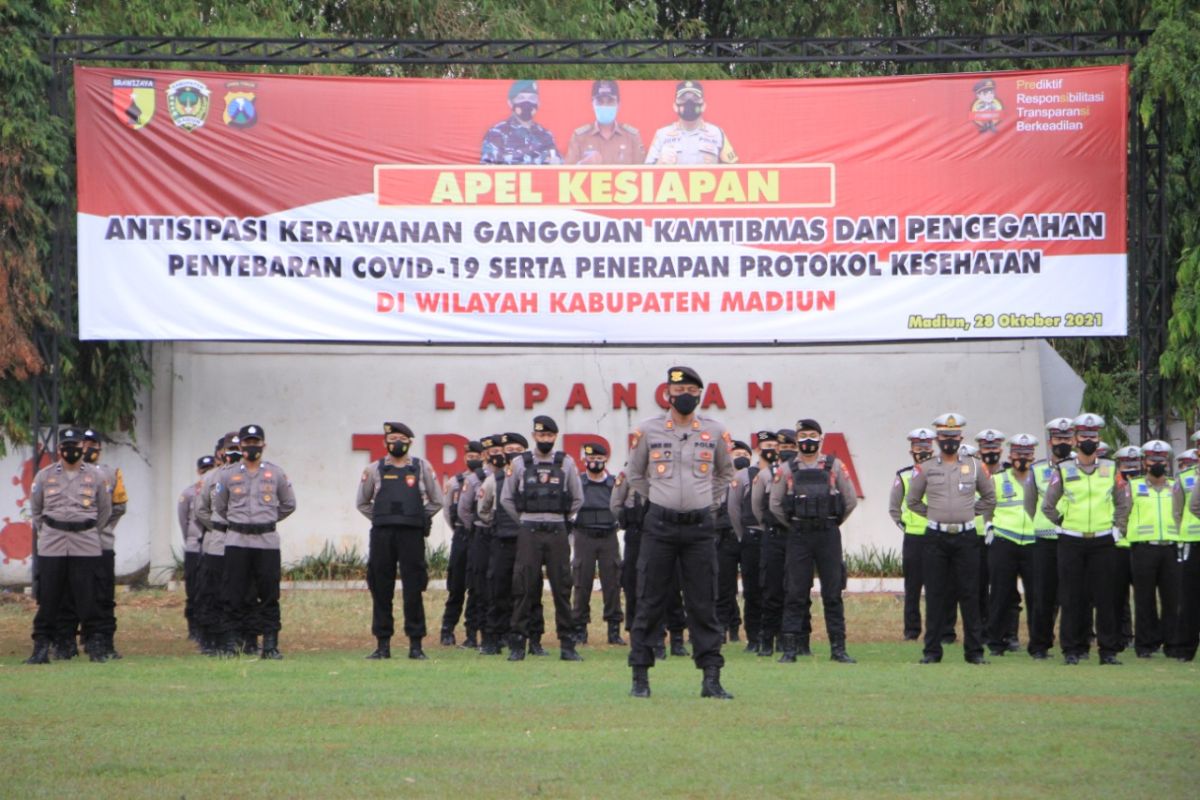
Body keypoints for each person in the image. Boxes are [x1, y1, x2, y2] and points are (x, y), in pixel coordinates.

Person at [626, 366, 737, 699]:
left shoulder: (715, 431)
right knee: (649, 599)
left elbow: (724, 473)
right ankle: (640, 678)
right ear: (668, 394)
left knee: (704, 602)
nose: (684, 395)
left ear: (700, 394)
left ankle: (711, 679)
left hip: (700, 528)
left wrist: (706, 500)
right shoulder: (648, 430)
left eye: (691, 389)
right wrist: (660, 499)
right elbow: (635, 475)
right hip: (659, 526)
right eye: (678, 390)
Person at [905, 413, 996, 664]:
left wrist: (968, 512)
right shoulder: (926, 468)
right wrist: (933, 514)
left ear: (961, 438)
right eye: (945, 436)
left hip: (966, 537)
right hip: (936, 537)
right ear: (937, 439)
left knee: (970, 595)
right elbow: (912, 501)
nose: (949, 441)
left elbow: (989, 498)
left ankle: (974, 652)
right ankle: (932, 652)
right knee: (935, 595)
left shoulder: (975, 466)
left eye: (954, 436)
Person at [1041, 413, 1131, 665]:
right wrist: (1062, 523)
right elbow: (1048, 505)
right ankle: (1072, 649)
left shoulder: (1111, 468)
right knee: (1072, 597)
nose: (1088, 440)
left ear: (1098, 438)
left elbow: (1124, 502)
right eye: (1083, 436)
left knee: (1106, 597)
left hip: (1103, 540)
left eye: (1093, 436)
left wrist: (1118, 528)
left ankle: (1108, 651)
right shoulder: (1064, 469)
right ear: (1076, 439)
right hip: (1072, 541)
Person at [769, 419, 858, 663]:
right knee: (795, 593)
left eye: (812, 435)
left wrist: (831, 522)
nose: (808, 439)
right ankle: (790, 649)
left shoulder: (834, 465)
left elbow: (850, 501)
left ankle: (838, 649)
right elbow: (775, 505)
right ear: (796, 440)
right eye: (803, 435)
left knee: (832, 593)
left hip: (827, 534)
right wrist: (795, 524)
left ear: (821, 438)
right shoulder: (787, 469)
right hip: (799, 534)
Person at [26, 428, 113, 664]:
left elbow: (105, 511)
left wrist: (87, 528)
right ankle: (41, 647)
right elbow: (36, 510)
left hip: (85, 540)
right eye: (66, 446)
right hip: (53, 541)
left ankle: (95, 646)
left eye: (75, 445)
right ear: (59, 449)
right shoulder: (44, 476)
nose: (71, 450)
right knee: (49, 595)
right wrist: (50, 530)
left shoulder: (96, 476)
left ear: (81, 448)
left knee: (88, 595)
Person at [356, 422, 443, 660]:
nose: (397, 442)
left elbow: (437, 500)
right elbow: (362, 502)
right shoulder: (374, 469)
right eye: (393, 437)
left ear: (410, 442)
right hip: (383, 535)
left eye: (402, 438)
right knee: (381, 588)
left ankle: (416, 645)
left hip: (411, 535)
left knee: (413, 589)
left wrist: (418, 517)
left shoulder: (421, 467)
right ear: (385, 442)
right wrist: (382, 518)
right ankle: (382, 644)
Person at [500, 416, 584, 662]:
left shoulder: (566, 462)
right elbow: (506, 498)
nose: (545, 439)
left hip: (557, 530)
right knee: (524, 588)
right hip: (530, 530)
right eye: (541, 435)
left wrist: (561, 518)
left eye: (549, 436)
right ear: (534, 436)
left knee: (562, 587)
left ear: (555, 437)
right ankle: (518, 644)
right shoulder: (520, 463)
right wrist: (525, 520)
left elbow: (578, 498)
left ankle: (568, 645)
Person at [212, 424, 297, 660]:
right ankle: (232, 643)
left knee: (269, 594)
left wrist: (266, 520)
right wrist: (240, 521)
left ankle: (270, 645)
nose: (252, 446)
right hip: (237, 541)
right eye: (247, 442)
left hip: (266, 542)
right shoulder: (227, 475)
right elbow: (220, 506)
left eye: (256, 442)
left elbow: (289, 504)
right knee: (233, 594)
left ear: (264, 445)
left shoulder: (276, 473)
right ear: (240, 445)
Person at [1118, 440, 1181, 658]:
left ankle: (1172, 644)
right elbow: (1122, 515)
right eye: (1153, 459)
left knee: (1172, 599)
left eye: (1161, 459)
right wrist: (1130, 535)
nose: (1157, 463)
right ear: (1145, 461)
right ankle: (1145, 645)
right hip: (1143, 549)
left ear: (1167, 462)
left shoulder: (1175, 486)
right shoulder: (1133, 486)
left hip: (1171, 548)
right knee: (1144, 599)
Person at [982, 433, 1039, 657]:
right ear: (1010, 455)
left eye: (1026, 453)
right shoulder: (998, 479)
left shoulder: (1040, 478)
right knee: (1000, 594)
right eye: (1017, 453)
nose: (1022, 458)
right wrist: (988, 527)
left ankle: (1038, 644)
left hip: (1033, 542)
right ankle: (996, 642)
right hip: (1004, 541)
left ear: (1033, 455)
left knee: (1036, 595)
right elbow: (987, 505)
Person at [571, 443, 624, 645]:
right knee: (581, 582)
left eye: (599, 459)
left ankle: (613, 630)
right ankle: (579, 629)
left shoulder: (613, 484)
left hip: (608, 536)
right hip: (584, 535)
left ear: (605, 460)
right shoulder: (578, 483)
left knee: (612, 583)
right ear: (585, 460)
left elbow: (620, 507)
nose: (595, 463)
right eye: (591, 459)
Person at [727, 431, 773, 653]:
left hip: (774, 537)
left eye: (774, 444)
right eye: (766, 445)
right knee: (752, 589)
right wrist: (743, 535)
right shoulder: (744, 476)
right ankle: (754, 637)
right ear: (758, 449)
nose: (771, 449)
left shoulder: (783, 473)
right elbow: (734, 511)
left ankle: (774, 635)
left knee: (774, 588)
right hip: (752, 537)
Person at [195, 433, 241, 656]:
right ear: (221, 452)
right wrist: (218, 528)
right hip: (219, 543)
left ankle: (241, 638)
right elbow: (201, 509)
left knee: (242, 592)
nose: (235, 451)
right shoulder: (211, 477)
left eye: (238, 447)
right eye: (230, 447)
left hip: (243, 542)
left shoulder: (253, 477)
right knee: (213, 593)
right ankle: (212, 640)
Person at [456, 435, 502, 650]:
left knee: (499, 586)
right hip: (481, 536)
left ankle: (498, 633)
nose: (495, 455)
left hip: (501, 538)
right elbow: (463, 511)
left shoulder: (509, 475)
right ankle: (472, 634)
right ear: (484, 455)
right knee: (477, 587)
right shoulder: (475, 478)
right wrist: (478, 528)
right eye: (491, 452)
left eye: (498, 451)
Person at [890, 428, 935, 641]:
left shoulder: (943, 473)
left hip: (937, 536)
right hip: (914, 538)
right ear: (911, 451)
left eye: (926, 448)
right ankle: (911, 631)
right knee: (913, 587)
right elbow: (894, 509)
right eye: (918, 448)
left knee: (939, 587)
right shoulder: (904, 475)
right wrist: (906, 526)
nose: (923, 452)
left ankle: (942, 631)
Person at [753, 429, 794, 657]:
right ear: (776, 450)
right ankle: (767, 641)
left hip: (797, 538)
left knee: (796, 590)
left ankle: (796, 641)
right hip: (774, 536)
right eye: (783, 448)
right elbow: (757, 507)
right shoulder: (767, 474)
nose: (787, 451)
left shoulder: (801, 473)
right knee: (771, 589)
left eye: (791, 447)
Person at [440, 440, 484, 647]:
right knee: (456, 586)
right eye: (470, 456)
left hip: (479, 536)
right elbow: (450, 512)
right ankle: (447, 629)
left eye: (477, 456)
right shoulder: (455, 483)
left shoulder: (487, 479)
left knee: (477, 588)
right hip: (462, 536)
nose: (473, 460)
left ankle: (472, 632)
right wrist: (462, 530)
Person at [646, 81, 737, 165]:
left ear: (703, 106)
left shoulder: (717, 133)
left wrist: (717, 166)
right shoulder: (662, 134)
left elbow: (737, 169)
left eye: (695, 99)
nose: (689, 102)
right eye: (683, 99)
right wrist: (660, 162)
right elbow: (645, 173)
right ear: (675, 106)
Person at [717, 440, 753, 644]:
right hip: (725, 537)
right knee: (724, 587)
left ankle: (748, 630)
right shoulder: (720, 479)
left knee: (752, 586)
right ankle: (725, 628)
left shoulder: (754, 477)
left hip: (747, 537)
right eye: (737, 453)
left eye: (745, 454)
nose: (741, 457)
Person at [480, 79, 561, 165]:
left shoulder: (545, 135)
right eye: (521, 98)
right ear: (510, 103)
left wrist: (557, 163)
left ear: (538, 103)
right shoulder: (497, 133)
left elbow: (558, 164)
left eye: (532, 98)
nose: (527, 103)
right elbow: (488, 168)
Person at [565, 80, 646, 165]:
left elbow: (642, 172)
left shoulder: (632, 136)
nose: (605, 106)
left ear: (618, 104)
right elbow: (566, 173)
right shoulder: (580, 137)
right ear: (592, 104)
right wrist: (583, 164)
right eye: (600, 101)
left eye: (610, 101)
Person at [180, 455, 216, 642]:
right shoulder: (188, 494)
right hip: (194, 547)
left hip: (211, 546)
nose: (206, 472)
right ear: (198, 471)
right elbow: (184, 522)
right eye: (204, 469)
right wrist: (192, 540)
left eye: (210, 468)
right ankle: (193, 627)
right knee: (193, 589)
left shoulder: (217, 489)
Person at [1174, 432, 1200, 661]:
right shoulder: (1186, 477)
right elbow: (1182, 511)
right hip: (1193, 542)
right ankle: (1185, 648)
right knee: (1190, 597)